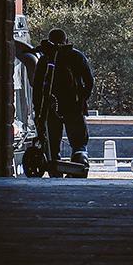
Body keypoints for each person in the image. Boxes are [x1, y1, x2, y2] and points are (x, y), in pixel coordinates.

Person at [31, 29, 94, 173]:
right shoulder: (77, 56)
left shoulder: (45, 59)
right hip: (74, 107)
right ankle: (80, 166)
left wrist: (39, 110)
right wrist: (82, 99)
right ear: (66, 40)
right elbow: (89, 82)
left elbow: (38, 87)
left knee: (53, 144)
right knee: (79, 144)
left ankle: (55, 170)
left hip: (51, 108)